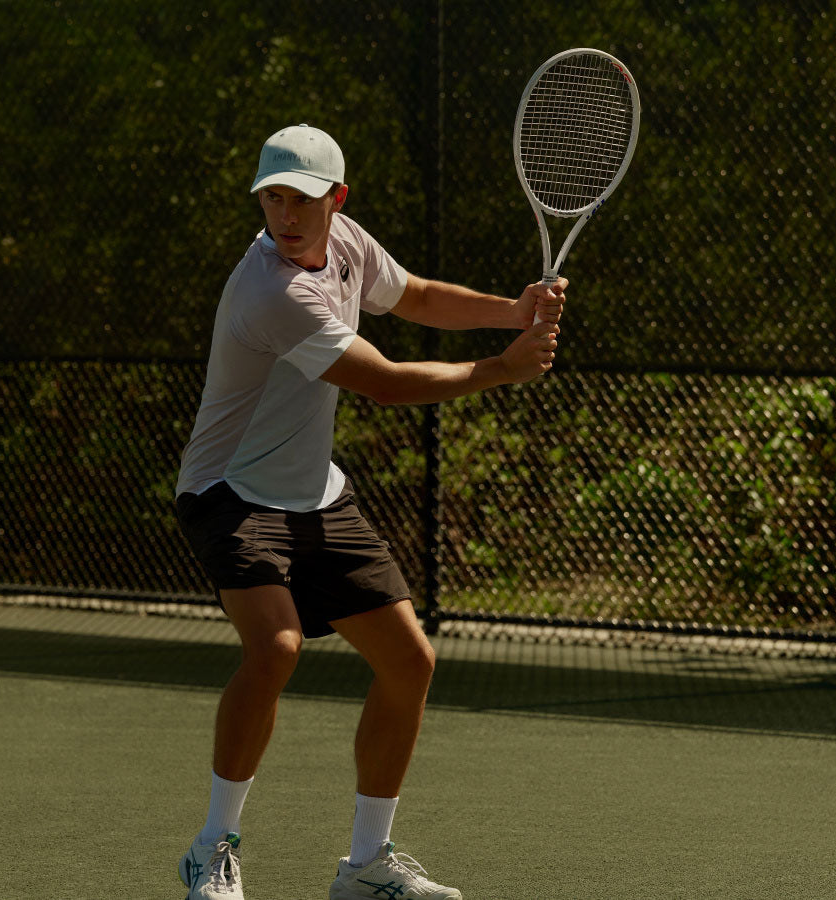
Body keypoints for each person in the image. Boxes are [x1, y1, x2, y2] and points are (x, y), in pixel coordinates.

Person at [175, 123, 566, 900]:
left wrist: (511, 311)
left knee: (410, 662)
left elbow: (414, 296)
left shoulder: (347, 243)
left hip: (314, 493)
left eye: (302, 199)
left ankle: (366, 866)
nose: (286, 215)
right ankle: (212, 847)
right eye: (272, 198)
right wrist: (501, 368)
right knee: (276, 647)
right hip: (228, 492)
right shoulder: (272, 292)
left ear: (337, 200)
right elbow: (384, 382)